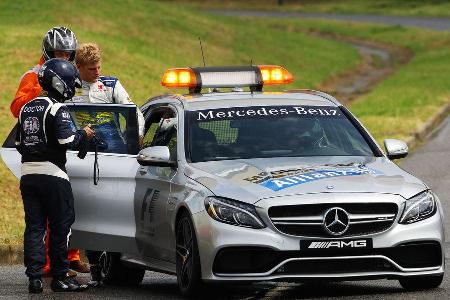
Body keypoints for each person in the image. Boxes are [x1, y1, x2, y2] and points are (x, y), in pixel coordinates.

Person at [10, 26, 89, 277]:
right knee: (48, 217)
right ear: (48, 50)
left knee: (66, 214)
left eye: (68, 53)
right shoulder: (33, 75)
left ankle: (71, 256)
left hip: (68, 144)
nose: (64, 57)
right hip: (47, 148)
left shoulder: (74, 72)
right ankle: (49, 266)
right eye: (59, 53)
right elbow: (17, 107)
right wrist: (44, 89)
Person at [72, 43, 145, 150]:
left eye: (99, 67)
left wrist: (139, 135)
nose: (97, 72)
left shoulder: (111, 85)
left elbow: (134, 113)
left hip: (115, 149)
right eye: (92, 69)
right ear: (78, 66)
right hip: (81, 149)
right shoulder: (69, 87)